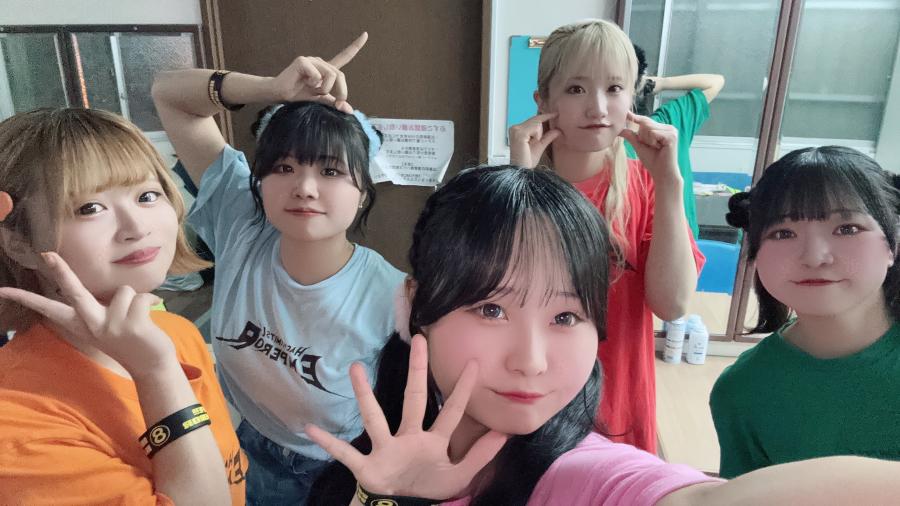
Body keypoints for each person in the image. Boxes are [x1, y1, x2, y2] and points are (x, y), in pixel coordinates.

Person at [306, 164, 900, 506]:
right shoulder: (369, 463)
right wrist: (385, 498)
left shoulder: (579, 476)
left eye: (566, 317)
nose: (532, 361)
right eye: (490, 309)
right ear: (414, 306)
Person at [151, 33, 406, 505]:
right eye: (284, 168)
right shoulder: (241, 221)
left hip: (334, 472)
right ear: (260, 180)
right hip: (243, 441)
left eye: (330, 171)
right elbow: (169, 93)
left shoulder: (395, 298)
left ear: (363, 193)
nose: (304, 187)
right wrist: (270, 88)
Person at [0, 108, 245, 505]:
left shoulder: (173, 335)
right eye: (90, 208)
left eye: (148, 196)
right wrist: (156, 373)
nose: (137, 227)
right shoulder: (16, 422)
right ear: (20, 243)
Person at [508, 19, 703, 453]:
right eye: (576, 89)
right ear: (543, 100)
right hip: (533, 404)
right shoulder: (510, 188)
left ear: (632, 98)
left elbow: (672, 304)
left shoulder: (649, 186)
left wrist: (670, 184)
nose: (597, 108)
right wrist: (519, 181)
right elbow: (506, 293)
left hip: (619, 409)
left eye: (614, 88)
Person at [710, 146, 900, 478]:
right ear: (754, 254)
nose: (814, 257)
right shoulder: (743, 391)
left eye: (847, 228)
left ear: (892, 243)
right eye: (783, 233)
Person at [628, 43, 725, 238]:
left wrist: (656, 83)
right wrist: (660, 83)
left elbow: (716, 81)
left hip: (681, 245)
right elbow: (714, 82)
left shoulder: (669, 122)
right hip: (659, 247)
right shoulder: (671, 122)